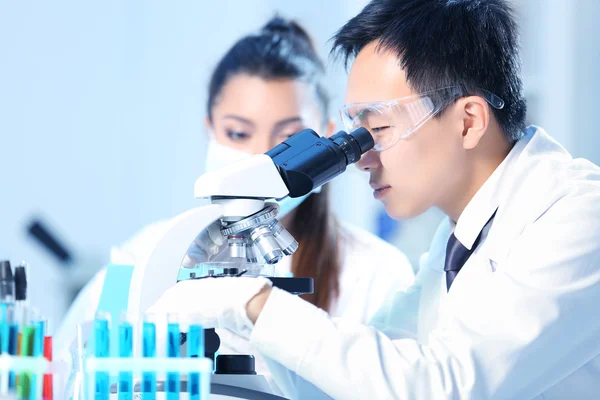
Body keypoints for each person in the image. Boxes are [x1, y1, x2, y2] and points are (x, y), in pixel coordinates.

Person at [149, 0, 600, 399]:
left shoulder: (580, 215)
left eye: (378, 130)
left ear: (468, 121)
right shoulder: (460, 236)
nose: (363, 160)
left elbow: (443, 386)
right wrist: (245, 326)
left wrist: (254, 303)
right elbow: (360, 382)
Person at [54, 16, 415, 385]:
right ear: (210, 128)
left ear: (324, 137)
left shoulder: (379, 272)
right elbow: (73, 374)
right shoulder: (142, 254)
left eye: (288, 138)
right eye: (238, 132)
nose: (260, 156)